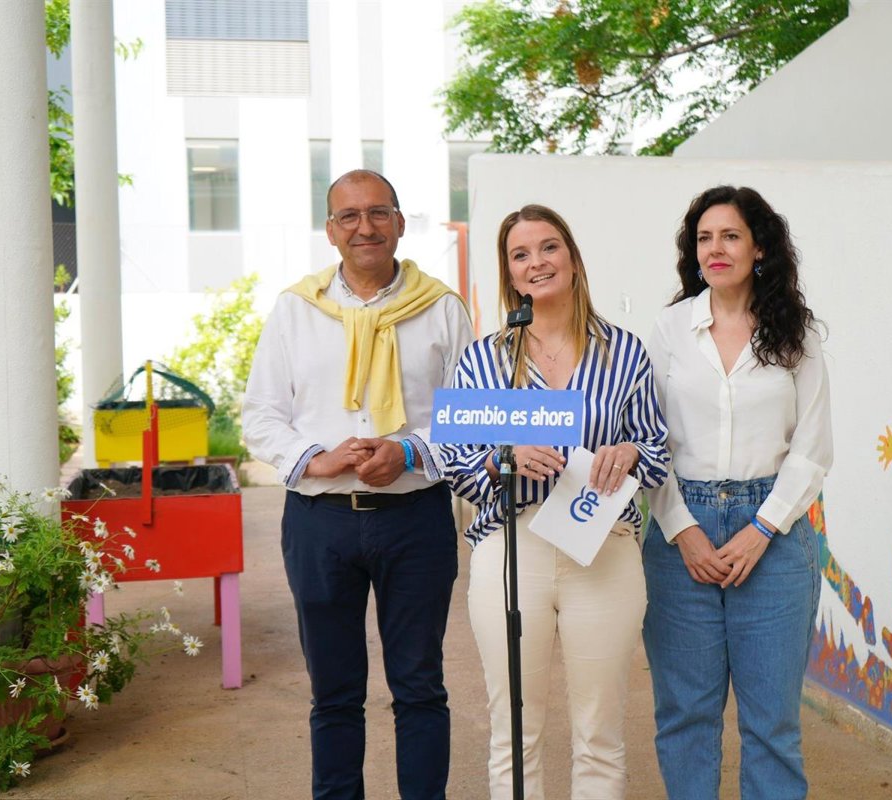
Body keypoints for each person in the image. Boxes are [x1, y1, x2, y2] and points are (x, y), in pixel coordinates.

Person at [242, 169, 474, 800]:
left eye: (377, 213)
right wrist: (314, 459)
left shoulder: (442, 308)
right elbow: (261, 413)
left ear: (399, 222)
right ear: (330, 230)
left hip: (415, 519)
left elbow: (469, 417)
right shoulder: (296, 309)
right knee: (334, 693)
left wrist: (409, 450)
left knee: (419, 687)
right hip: (320, 523)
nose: (364, 227)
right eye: (349, 216)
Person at [440, 204, 669, 799]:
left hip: (604, 547)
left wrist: (630, 454)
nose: (536, 262)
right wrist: (501, 458)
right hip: (512, 546)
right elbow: (454, 464)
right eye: (520, 254)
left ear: (571, 257)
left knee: (600, 732)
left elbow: (657, 452)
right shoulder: (484, 359)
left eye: (548, 247)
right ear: (510, 273)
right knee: (514, 732)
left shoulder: (625, 352)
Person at [642, 185, 832, 799]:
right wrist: (682, 529)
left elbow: (812, 448)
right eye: (704, 238)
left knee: (771, 725)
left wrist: (762, 529)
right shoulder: (670, 328)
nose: (715, 249)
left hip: (773, 533)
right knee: (685, 717)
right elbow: (648, 437)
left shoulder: (797, 333)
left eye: (730, 236)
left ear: (759, 248)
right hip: (681, 530)